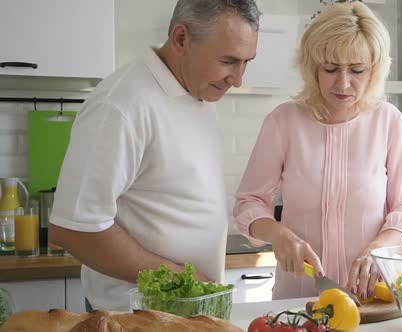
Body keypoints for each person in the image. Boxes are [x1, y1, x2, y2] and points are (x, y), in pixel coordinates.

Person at [48, 0, 260, 311]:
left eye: (246, 62)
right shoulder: (121, 103)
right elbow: (74, 228)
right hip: (134, 317)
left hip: (188, 312)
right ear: (181, 39)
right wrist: (177, 279)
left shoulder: (198, 94)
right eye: (228, 61)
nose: (238, 79)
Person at [233, 1, 402, 300]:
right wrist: (279, 235)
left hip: (372, 297)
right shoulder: (283, 122)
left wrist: (378, 249)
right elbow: (249, 203)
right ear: (312, 68)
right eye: (331, 68)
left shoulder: (389, 121)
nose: (343, 83)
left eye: (357, 70)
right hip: (299, 298)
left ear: (373, 70)